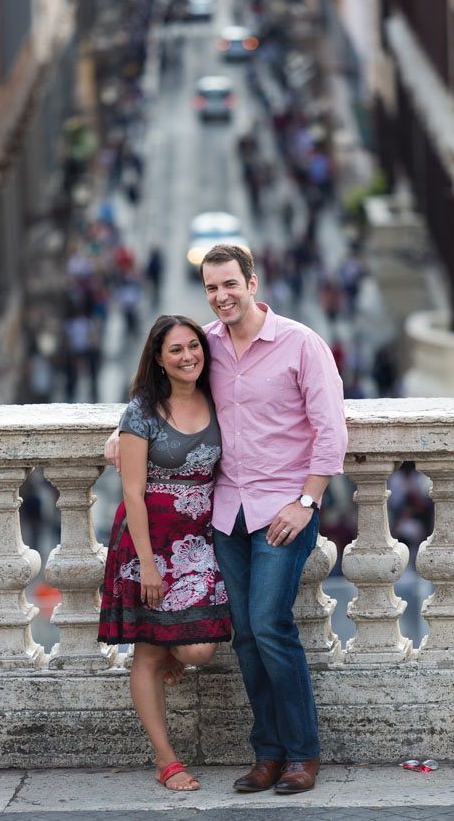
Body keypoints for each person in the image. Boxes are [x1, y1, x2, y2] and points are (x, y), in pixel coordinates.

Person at [105, 246, 347, 795]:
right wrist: (122, 433)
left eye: (230, 284)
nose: (222, 297)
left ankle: (302, 754)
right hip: (225, 513)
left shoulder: (301, 344)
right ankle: (266, 754)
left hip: (283, 510)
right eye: (212, 288)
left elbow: (331, 434)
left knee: (269, 624)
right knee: (242, 637)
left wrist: (305, 502)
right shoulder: (206, 345)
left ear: (252, 282)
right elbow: (165, 392)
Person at [98, 314, 231, 792]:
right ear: (158, 357)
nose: (188, 356)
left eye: (193, 346)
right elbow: (132, 492)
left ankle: (177, 652)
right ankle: (166, 760)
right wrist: (149, 565)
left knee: (198, 649)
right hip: (148, 544)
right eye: (175, 350)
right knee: (149, 653)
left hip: (200, 541)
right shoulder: (141, 412)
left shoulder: (217, 397)